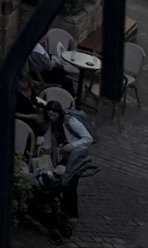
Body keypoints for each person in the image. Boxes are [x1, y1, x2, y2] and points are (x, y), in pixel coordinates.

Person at [26, 99, 94, 240]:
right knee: (61, 182)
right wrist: (43, 151)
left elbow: (88, 138)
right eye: (49, 114)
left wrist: (73, 145)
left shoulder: (70, 122)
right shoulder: (52, 123)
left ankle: (72, 215)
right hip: (63, 155)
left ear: (59, 114)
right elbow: (49, 140)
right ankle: (60, 208)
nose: (51, 117)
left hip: (75, 156)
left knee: (70, 184)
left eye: (54, 114)